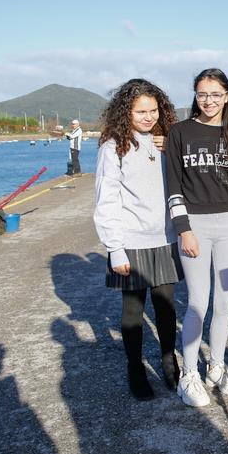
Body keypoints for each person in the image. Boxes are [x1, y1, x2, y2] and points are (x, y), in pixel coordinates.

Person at [93, 79, 182, 400]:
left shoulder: (166, 141)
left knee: (167, 307)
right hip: (130, 240)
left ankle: (169, 360)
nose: (148, 117)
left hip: (165, 238)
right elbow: (106, 200)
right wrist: (114, 248)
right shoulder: (113, 146)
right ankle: (135, 367)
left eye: (153, 110)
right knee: (133, 311)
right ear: (125, 112)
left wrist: (170, 147)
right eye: (140, 111)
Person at [166, 68, 228, 407]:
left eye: (215, 94)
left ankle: (216, 364)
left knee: (225, 301)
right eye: (202, 94)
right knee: (198, 301)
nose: (209, 100)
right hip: (194, 223)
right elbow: (173, 184)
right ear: (195, 96)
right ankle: (189, 374)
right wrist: (183, 229)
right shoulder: (180, 132)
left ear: (227, 95)